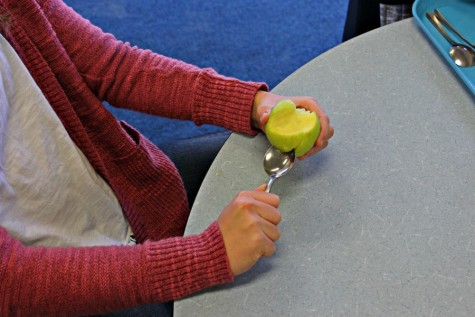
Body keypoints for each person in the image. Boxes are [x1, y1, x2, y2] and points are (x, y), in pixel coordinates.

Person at [0, 0, 334, 316]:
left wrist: (252, 104)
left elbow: (109, 65)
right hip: (61, 289)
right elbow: (11, 285)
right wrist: (203, 258)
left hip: (125, 205)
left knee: (258, 162)